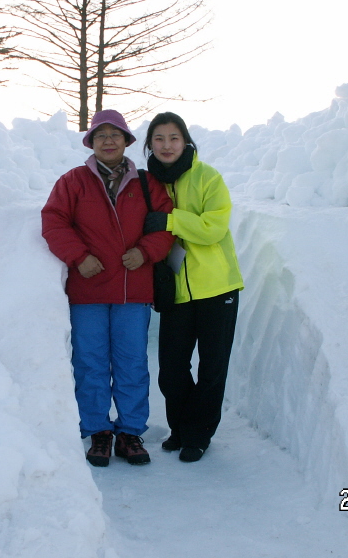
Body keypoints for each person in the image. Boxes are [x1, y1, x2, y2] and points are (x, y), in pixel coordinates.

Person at [41, 109, 174, 467]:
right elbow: (53, 221)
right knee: (90, 363)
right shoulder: (73, 182)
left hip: (134, 290)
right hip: (89, 290)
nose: (109, 141)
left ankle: (130, 432)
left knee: (132, 363)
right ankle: (98, 431)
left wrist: (145, 251)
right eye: (101, 135)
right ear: (91, 142)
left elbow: (166, 227)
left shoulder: (147, 184)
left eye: (116, 135)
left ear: (128, 141)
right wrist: (78, 256)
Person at [142, 112, 244, 463]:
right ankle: (180, 428)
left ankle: (198, 436)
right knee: (171, 367)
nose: (166, 145)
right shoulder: (148, 183)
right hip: (177, 291)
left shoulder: (207, 177)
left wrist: (171, 221)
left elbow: (213, 227)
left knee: (212, 367)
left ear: (185, 141)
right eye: (159, 138)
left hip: (218, 288)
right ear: (149, 144)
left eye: (173, 138)